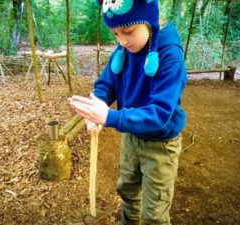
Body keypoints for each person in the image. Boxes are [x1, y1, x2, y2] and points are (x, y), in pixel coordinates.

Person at [68, 0, 187, 224]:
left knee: (155, 212)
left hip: (160, 145)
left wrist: (110, 117)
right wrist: (97, 106)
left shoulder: (170, 56)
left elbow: (160, 113)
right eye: (115, 34)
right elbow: (107, 83)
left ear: (149, 20)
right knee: (128, 189)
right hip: (131, 136)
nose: (122, 40)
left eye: (128, 31)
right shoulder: (124, 48)